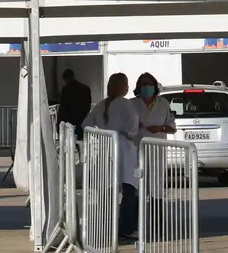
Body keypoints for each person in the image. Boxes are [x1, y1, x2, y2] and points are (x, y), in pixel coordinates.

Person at [83, 73, 140, 241]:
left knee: (106, 190)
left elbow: (86, 124)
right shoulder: (125, 104)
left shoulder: (100, 105)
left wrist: (101, 132)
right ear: (122, 87)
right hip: (123, 149)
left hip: (104, 149)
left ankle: (105, 226)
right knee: (129, 189)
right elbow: (133, 128)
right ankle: (126, 227)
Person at [130, 73, 176, 141]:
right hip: (137, 146)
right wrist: (134, 125)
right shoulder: (131, 103)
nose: (147, 86)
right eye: (144, 84)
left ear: (154, 86)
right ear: (139, 87)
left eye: (150, 84)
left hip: (158, 147)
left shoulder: (163, 103)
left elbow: (172, 128)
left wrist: (160, 128)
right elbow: (123, 126)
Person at [56, 69, 92, 139]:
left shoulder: (66, 90)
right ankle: (80, 149)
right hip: (81, 118)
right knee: (81, 138)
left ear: (66, 78)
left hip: (69, 120)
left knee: (69, 140)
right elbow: (88, 104)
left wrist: (60, 120)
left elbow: (63, 106)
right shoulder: (85, 88)